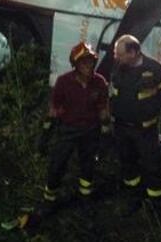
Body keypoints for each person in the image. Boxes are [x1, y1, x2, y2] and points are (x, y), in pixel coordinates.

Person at [109, 34, 161, 213]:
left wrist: (151, 110)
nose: (116, 57)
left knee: (152, 165)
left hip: (145, 130)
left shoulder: (155, 68)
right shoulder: (119, 67)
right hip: (122, 128)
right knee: (127, 164)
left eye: (119, 54)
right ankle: (134, 199)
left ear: (133, 52)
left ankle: (158, 206)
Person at [42, 42, 110, 207]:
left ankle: (84, 197)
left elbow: (103, 108)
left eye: (91, 61)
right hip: (68, 130)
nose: (89, 65)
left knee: (88, 165)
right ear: (75, 64)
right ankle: (49, 199)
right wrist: (45, 133)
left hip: (90, 130)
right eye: (84, 62)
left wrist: (106, 132)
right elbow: (53, 108)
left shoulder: (100, 82)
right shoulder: (63, 81)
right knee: (57, 164)